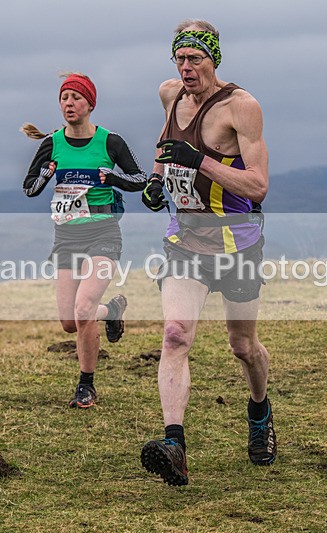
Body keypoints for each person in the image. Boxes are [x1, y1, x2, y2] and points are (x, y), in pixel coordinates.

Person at [139, 20, 276, 486]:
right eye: (179, 58)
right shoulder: (170, 94)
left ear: (214, 58)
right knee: (175, 334)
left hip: (237, 244)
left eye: (195, 58)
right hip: (185, 243)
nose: (186, 67)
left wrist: (199, 162)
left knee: (243, 347)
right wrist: (157, 180)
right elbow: (166, 143)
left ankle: (259, 411)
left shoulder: (242, 107)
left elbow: (257, 187)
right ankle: (174, 444)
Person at [22, 72, 147, 408]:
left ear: (90, 104)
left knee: (82, 308)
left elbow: (141, 179)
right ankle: (112, 311)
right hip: (66, 238)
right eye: (64, 98)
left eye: (75, 98)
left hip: (103, 234)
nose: (69, 104)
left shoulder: (110, 142)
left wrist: (114, 177)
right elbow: (29, 186)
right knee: (69, 321)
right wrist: (47, 175)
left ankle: (86, 385)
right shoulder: (52, 144)